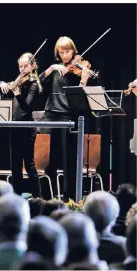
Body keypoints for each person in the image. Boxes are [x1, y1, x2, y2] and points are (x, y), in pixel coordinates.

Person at [39, 36, 92, 199]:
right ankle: (48, 196)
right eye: (61, 52)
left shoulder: (79, 68)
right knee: (47, 156)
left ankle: (70, 197)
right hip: (51, 114)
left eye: (68, 51)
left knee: (71, 157)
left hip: (69, 115)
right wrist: (51, 68)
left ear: (73, 51)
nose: (65, 56)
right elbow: (39, 83)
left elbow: (82, 98)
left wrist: (83, 80)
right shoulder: (55, 69)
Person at [0, 52, 42, 197]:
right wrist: (1, 83)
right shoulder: (18, 82)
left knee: (29, 164)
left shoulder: (33, 84)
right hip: (15, 128)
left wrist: (18, 94)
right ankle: (16, 196)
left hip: (27, 129)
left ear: (32, 66)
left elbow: (27, 107)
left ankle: (38, 197)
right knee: (15, 165)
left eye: (25, 66)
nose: (22, 70)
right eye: (20, 66)